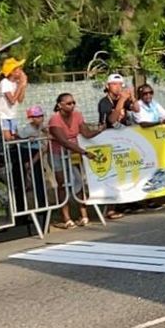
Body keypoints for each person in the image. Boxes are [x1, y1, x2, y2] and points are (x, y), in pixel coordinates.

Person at [48, 92, 108, 228]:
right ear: (60, 105)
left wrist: (99, 130)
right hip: (58, 154)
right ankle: (66, 218)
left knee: (78, 181)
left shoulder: (78, 115)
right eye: (69, 103)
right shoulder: (54, 120)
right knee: (62, 184)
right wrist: (85, 152)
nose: (72, 105)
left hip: (74, 154)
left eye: (74, 102)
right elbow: (63, 141)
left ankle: (84, 215)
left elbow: (85, 133)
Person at [0, 57, 28, 140]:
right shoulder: (4, 83)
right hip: (4, 116)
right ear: (12, 72)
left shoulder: (16, 83)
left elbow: (20, 100)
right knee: (8, 139)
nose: (21, 72)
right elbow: (12, 101)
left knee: (13, 137)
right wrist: (20, 86)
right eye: (19, 69)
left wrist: (23, 86)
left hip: (12, 115)